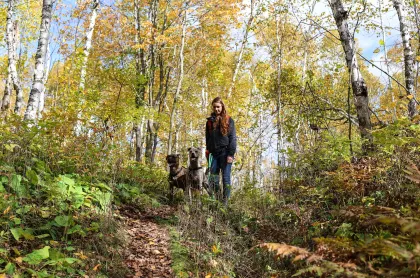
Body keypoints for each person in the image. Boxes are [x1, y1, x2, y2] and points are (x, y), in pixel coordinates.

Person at [205, 96, 237, 205]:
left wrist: (231, 154)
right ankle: (218, 201)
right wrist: (207, 151)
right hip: (213, 154)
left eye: (218, 107)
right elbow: (207, 138)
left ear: (222, 106)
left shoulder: (229, 120)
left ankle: (225, 204)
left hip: (225, 153)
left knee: (226, 179)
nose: (216, 109)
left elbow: (232, 138)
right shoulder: (209, 122)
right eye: (214, 107)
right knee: (213, 180)